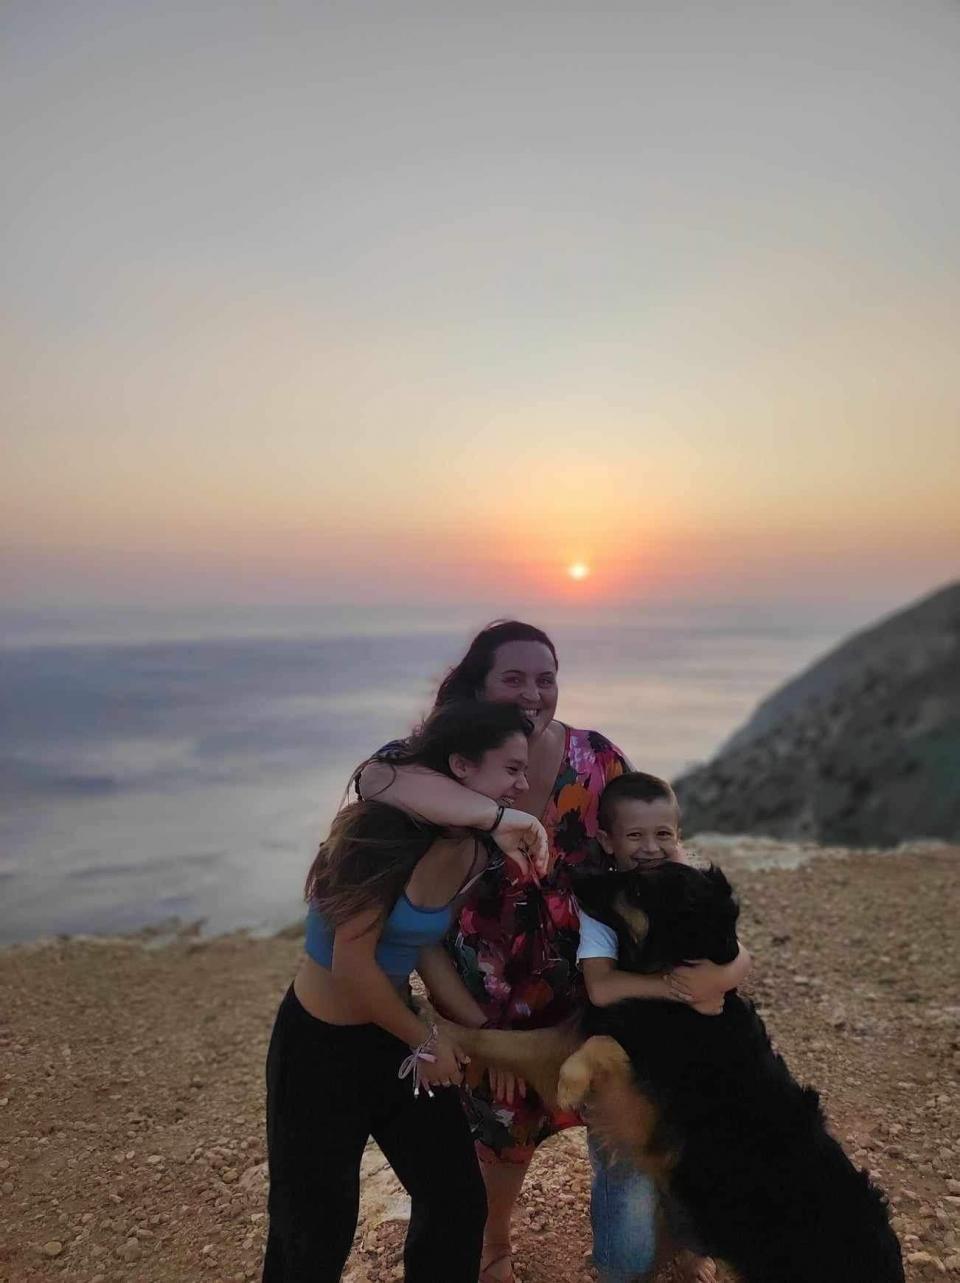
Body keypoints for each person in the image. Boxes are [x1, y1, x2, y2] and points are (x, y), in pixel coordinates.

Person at [359, 620, 736, 1283]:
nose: (533, 693)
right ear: (479, 684)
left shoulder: (595, 760)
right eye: (513, 678)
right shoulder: (450, 758)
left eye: (546, 678)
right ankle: (494, 1248)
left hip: (593, 983)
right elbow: (374, 778)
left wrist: (710, 940)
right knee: (499, 1137)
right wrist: (500, 817)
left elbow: (647, 844)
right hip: (482, 996)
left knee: (630, 1122)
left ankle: (661, 1244)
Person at [262, 701, 537, 1283]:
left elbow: (422, 944)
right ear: (461, 767)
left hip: (392, 1035)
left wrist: (485, 1037)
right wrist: (427, 1041)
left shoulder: (475, 849)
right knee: (314, 1226)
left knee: (456, 1200)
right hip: (319, 1048)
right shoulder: (379, 835)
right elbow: (352, 967)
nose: (523, 784)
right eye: (512, 769)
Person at [577, 771, 752, 1283]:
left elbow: (739, 954)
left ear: (679, 835)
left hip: (692, 1056)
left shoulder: (692, 885)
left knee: (695, 1154)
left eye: (663, 834)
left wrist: (723, 977)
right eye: (634, 836)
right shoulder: (601, 903)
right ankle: (621, 1269)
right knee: (625, 1168)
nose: (650, 848)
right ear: (607, 840)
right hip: (624, 1055)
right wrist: (683, 988)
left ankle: (691, 1245)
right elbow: (600, 988)